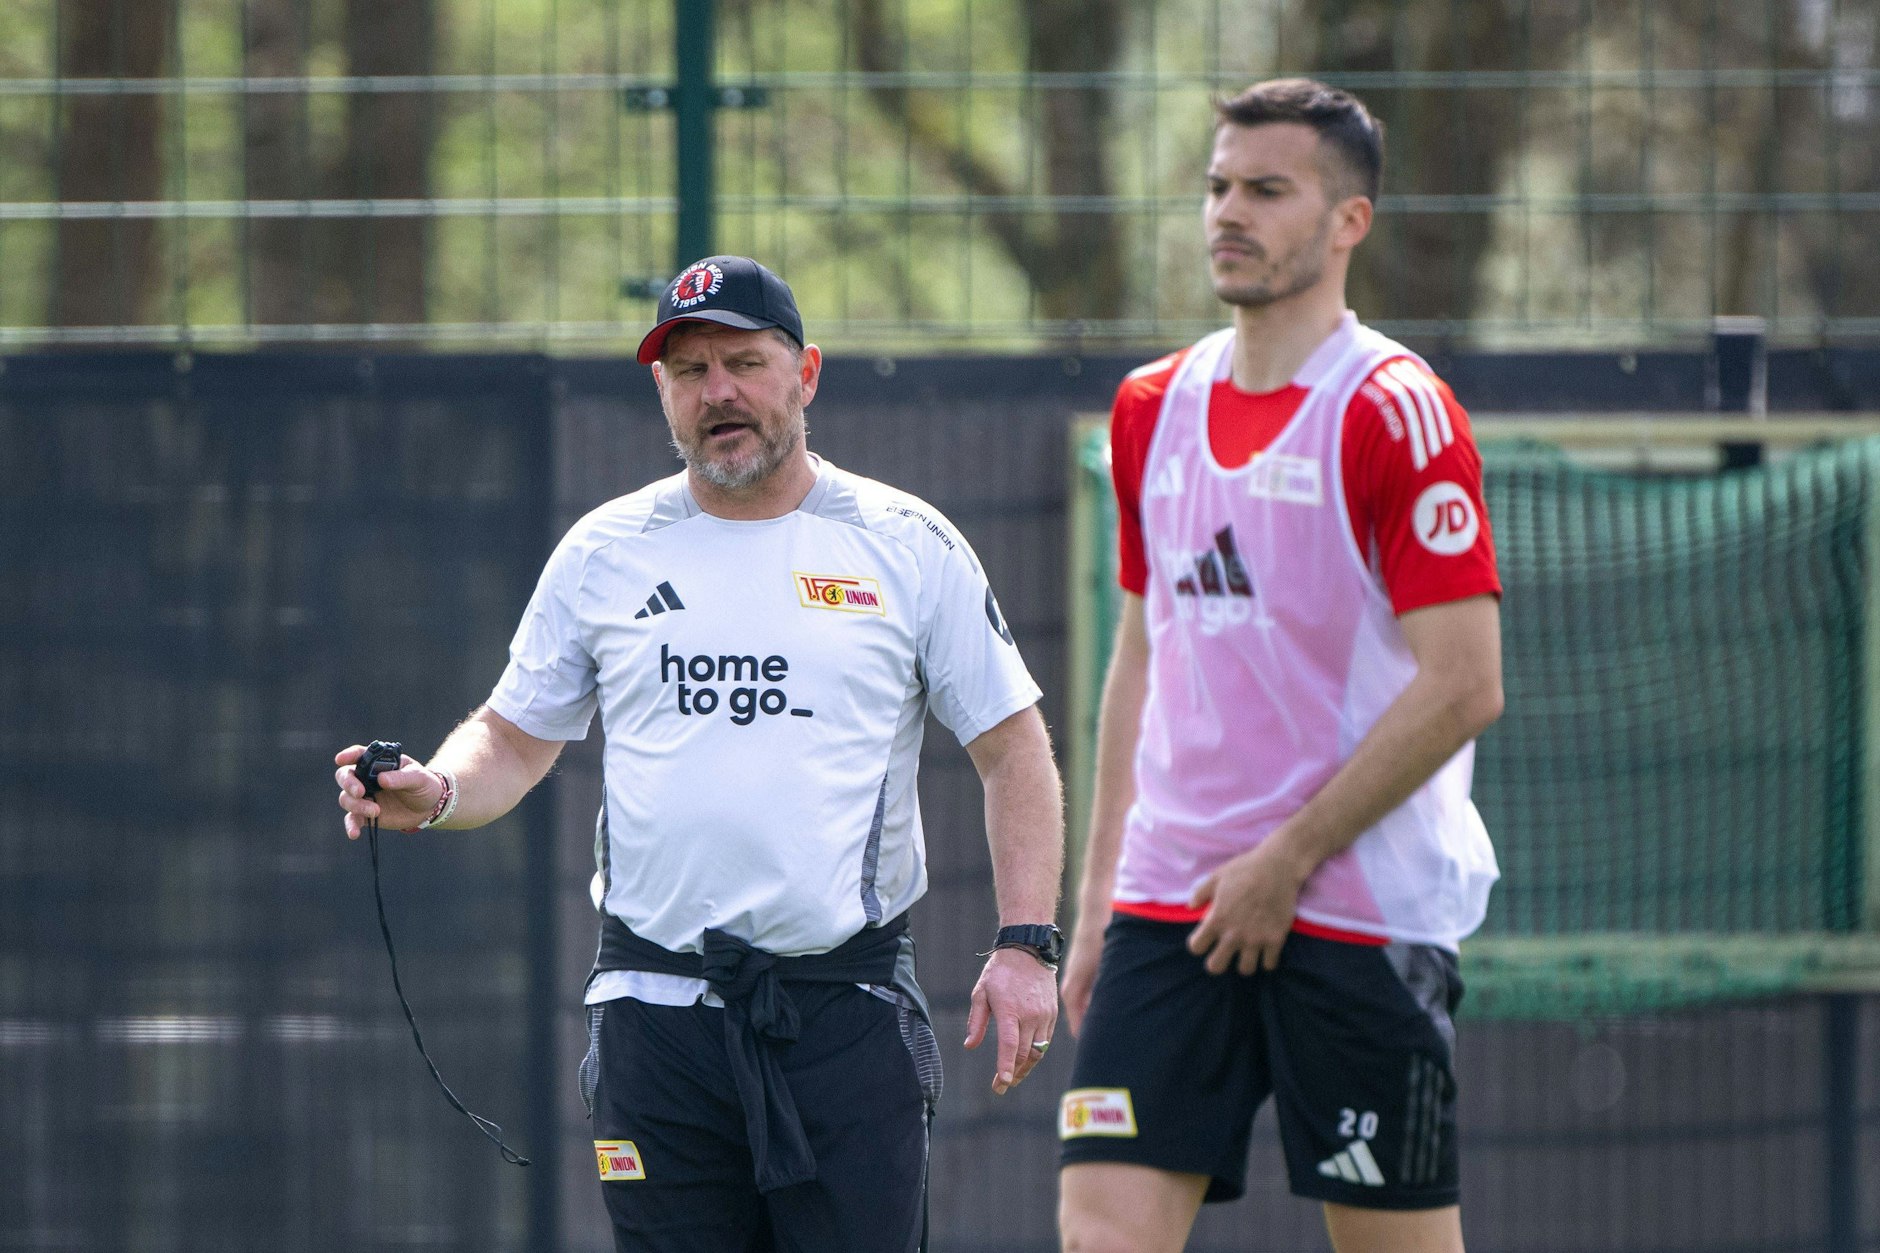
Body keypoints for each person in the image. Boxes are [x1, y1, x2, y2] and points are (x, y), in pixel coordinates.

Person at [334, 255, 1065, 1253]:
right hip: (652, 1019)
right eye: (688, 370)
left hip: (843, 1013)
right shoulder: (605, 549)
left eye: (743, 362)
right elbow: (509, 736)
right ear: (662, 394)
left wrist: (1026, 942)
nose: (717, 390)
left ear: (804, 374)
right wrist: (440, 787)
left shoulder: (907, 543)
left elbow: (1011, 747)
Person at [1056, 80, 1504, 1253]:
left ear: (1348, 220)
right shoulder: (1150, 405)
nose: (1227, 213)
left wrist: (1286, 857)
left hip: (1353, 907)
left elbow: (1464, 683)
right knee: (1099, 1227)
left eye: (1265, 189)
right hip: (1170, 903)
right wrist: (1098, 900)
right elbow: (1139, 655)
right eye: (1215, 187)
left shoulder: (1395, 410)